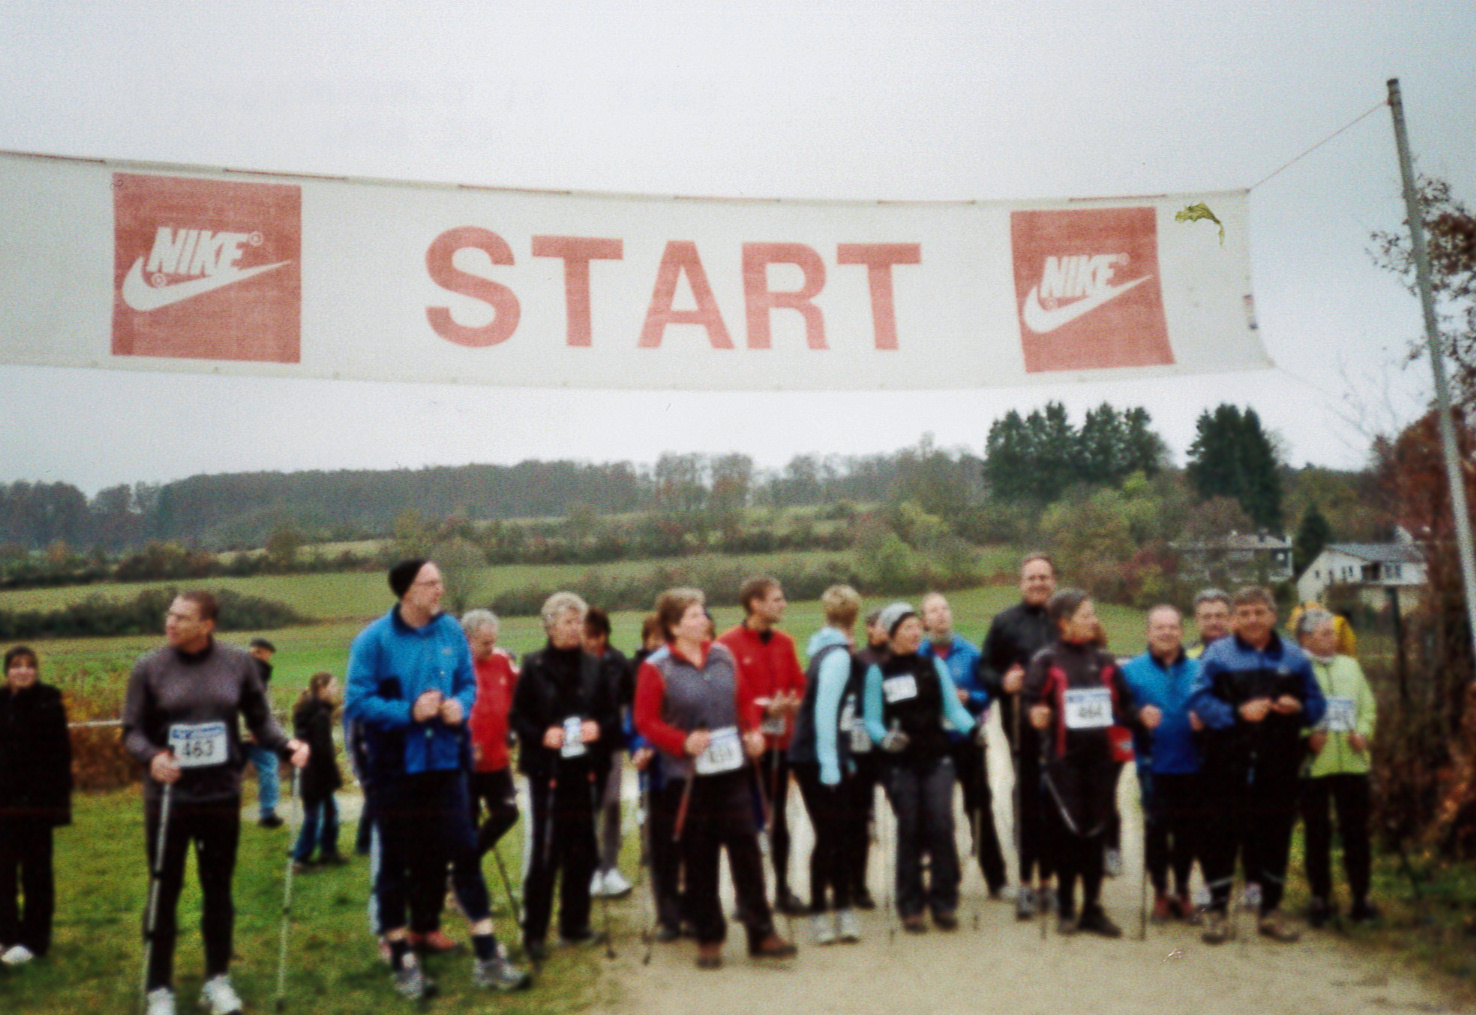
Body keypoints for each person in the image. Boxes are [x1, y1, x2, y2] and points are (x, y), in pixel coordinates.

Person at [345, 560, 530, 1000]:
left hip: (446, 763)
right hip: (395, 767)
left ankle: (488, 957)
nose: (440, 590)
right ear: (406, 591)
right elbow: (357, 702)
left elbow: (467, 683)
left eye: (440, 582)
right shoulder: (374, 640)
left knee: (464, 855)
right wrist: (408, 711)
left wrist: (459, 706)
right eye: (430, 583)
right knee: (394, 863)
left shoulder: (450, 632)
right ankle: (400, 959)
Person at [122, 591, 310, 1015]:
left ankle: (217, 979)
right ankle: (158, 988)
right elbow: (131, 731)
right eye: (170, 614)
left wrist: (288, 746)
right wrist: (152, 757)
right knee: (163, 889)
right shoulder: (149, 667)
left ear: (207, 625)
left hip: (220, 795)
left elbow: (261, 719)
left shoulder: (238, 663)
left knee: (218, 889)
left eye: (182, 617)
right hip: (169, 798)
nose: (170, 622)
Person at [634, 587, 796, 969]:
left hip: (732, 770)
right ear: (674, 626)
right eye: (693, 615)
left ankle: (761, 932)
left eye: (703, 612)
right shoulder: (657, 667)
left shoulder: (722, 655)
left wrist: (752, 732)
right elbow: (645, 721)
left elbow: (743, 701)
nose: (703, 619)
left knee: (746, 850)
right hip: (687, 777)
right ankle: (709, 937)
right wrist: (681, 741)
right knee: (699, 856)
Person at [1189, 586, 1325, 945]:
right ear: (1234, 618)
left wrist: (1300, 708)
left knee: (1275, 835)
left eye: (1259, 612)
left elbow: (1317, 704)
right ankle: (1217, 912)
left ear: (1273, 615)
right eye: (1244, 613)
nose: (1252, 619)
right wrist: (1237, 713)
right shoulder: (1218, 654)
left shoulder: (1295, 656)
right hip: (1226, 760)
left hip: (1278, 761)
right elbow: (1199, 700)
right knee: (1221, 834)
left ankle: (1270, 912)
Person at [509, 592, 619, 962]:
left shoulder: (595, 667)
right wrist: (542, 734)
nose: (575, 628)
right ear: (550, 626)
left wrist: (597, 728)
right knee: (547, 850)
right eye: (568, 622)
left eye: (579, 621)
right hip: (548, 772)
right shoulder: (533, 665)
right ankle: (535, 932)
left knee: (584, 849)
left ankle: (575, 924)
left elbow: (611, 717)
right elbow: (518, 717)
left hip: (586, 771)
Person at [1024, 590, 1137, 937]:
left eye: (1093, 614)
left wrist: (1141, 715)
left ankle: (1092, 908)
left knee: (1095, 833)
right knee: (1068, 834)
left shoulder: (1105, 660)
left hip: (1101, 761)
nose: (1093, 620)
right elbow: (1030, 699)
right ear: (1064, 622)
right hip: (1064, 761)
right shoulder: (1047, 660)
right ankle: (1066, 907)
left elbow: (1125, 703)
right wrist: (1035, 712)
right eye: (1086, 615)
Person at [863, 601, 980, 933]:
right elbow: (872, 720)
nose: (916, 632)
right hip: (900, 762)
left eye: (917, 626)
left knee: (941, 825)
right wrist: (885, 738)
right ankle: (910, 904)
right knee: (910, 828)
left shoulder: (933, 665)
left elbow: (952, 709)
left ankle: (944, 901)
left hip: (937, 757)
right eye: (907, 627)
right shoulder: (879, 671)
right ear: (892, 633)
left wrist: (973, 729)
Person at [718, 576, 807, 917]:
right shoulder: (727, 644)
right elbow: (729, 696)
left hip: (780, 745)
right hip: (746, 747)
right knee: (746, 824)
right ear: (754, 604)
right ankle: (746, 898)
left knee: (778, 819)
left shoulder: (785, 642)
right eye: (776, 599)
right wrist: (763, 711)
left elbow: (799, 684)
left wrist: (796, 702)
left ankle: (783, 890)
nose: (783, 604)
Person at [979, 552, 1058, 919]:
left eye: (1044, 577)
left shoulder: (1065, 619)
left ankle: (1048, 882)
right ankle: (1025, 882)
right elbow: (984, 669)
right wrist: (1003, 681)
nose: (1038, 583)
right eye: (1032, 578)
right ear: (1021, 583)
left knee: (1054, 802)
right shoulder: (1005, 622)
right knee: (1028, 802)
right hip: (1020, 725)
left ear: (1053, 581)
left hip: (1061, 727)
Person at [788, 584, 867, 944]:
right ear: (855, 617)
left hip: (828, 754)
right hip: (816, 757)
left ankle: (842, 906)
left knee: (840, 833)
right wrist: (830, 764)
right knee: (831, 834)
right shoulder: (836, 657)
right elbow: (824, 714)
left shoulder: (824, 648)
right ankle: (822, 910)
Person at [920, 592, 1007, 899]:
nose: (941, 614)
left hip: (967, 742)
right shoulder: (917, 655)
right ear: (924, 621)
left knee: (979, 808)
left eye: (944, 608)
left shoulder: (969, 652)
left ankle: (996, 880)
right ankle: (947, 878)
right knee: (937, 814)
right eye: (933, 611)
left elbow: (988, 694)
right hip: (933, 745)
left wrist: (969, 697)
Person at [1120, 606, 1204, 923]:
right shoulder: (1132, 670)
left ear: (1182, 631)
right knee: (1156, 831)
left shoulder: (1199, 669)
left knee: (1187, 832)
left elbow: (1215, 705)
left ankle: (1182, 891)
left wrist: (1205, 718)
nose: (1166, 632)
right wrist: (1137, 716)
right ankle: (1159, 892)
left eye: (1172, 627)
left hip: (1192, 763)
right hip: (1153, 763)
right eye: (1159, 627)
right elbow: (1118, 711)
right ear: (1148, 633)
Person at [1296, 607, 1379, 926]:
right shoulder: (1295, 671)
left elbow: (1368, 707)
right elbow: (1288, 714)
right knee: (1317, 833)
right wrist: (1306, 738)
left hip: (1352, 762)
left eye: (1334, 633)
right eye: (1326, 634)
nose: (1334, 639)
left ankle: (1361, 897)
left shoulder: (1350, 666)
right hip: (1315, 765)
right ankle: (1320, 897)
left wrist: (1364, 733)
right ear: (1306, 639)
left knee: (1356, 832)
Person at [0, 646, 71, 967]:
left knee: (36, 873)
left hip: (37, 805)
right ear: (7, 671)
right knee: (3, 872)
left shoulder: (49, 702)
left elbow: (60, 757)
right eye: (16, 665)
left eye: (29, 665)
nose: (23, 671)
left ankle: (34, 940)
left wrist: (56, 806)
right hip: (4, 803)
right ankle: (6, 934)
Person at [629, 614, 686, 941]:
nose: (660, 645)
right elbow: (635, 720)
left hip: (691, 770)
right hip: (659, 774)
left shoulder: (693, 669)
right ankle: (669, 916)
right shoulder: (646, 671)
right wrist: (639, 746)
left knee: (693, 845)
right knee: (662, 848)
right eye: (654, 638)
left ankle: (695, 909)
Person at [585, 607, 635, 900]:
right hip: (580, 745)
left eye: (596, 636)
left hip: (611, 744)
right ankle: (589, 870)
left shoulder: (618, 661)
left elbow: (627, 702)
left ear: (604, 635)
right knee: (587, 807)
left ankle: (610, 867)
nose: (591, 642)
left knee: (611, 803)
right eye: (587, 636)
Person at [462, 610, 520, 861]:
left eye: (493, 641)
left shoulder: (502, 660)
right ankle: (461, 879)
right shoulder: (454, 668)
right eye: (486, 643)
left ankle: (465, 863)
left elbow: (523, 689)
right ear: (467, 639)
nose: (491, 647)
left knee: (508, 813)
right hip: (467, 763)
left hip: (497, 759)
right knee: (467, 822)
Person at [845, 608, 888, 910]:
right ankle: (857, 885)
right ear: (869, 628)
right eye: (880, 624)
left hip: (889, 745)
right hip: (860, 750)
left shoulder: (899, 659)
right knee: (858, 819)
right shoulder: (857, 660)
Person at [291, 672, 346, 872]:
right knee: (314, 818)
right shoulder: (320, 714)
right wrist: (333, 774)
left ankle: (328, 851)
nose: (337, 689)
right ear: (321, 687)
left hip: (311, 772)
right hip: (316, 774)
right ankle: (300, 859)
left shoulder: (309, 709)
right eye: (333, 685)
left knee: (330, 813)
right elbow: (322, 750)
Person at [243, 638, 283, 828]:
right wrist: (254, 729)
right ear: (260, 653)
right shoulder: (256, 671)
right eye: (268, 653)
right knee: (268, 766)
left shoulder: (243, 669)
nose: (269, 657)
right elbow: (251, 703)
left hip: (237, 730)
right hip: (250, 732)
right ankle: (267, 814)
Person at [1187, 589, 1231, 659]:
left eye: (1219, 616)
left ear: (1229, 618)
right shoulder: (1185, 656)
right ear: (1197, 620)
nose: (1213, 622)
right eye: (1206, 616)